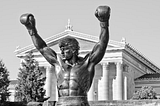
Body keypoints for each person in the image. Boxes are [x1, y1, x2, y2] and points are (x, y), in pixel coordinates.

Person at [20, 5, 110, 106]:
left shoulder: (87, 63)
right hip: (61, 103)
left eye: (65, 50)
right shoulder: (58, 63)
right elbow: (42, 48)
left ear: (74, 50)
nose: (62, 53)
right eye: (61, 50)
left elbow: (102, 44)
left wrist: (104, 24)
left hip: (80, 103)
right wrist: (31, 30)